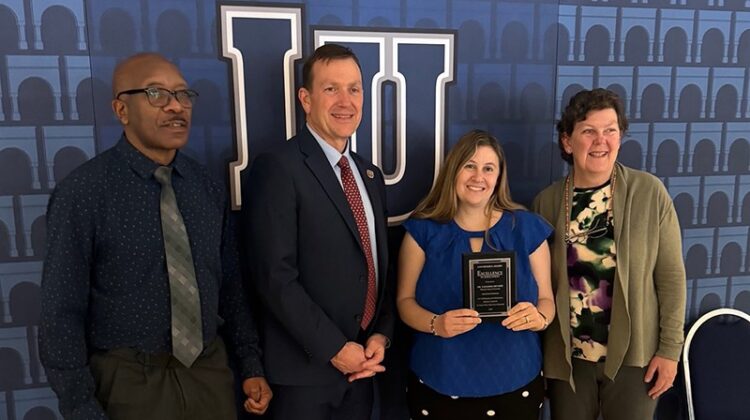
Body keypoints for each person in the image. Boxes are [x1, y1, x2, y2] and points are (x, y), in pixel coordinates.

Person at [39, 53, 271, 420]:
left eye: (183, 94)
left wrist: (251, 364)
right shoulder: (83, 194)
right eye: (156, 94)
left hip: (208, 374)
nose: (176, 106)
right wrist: (81, 406)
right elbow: (60, 314)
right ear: (121, 110)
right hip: (129, 383)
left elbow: (230, 286)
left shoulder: (205, 187)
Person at [241, 43, 394, 419]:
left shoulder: (369, 175)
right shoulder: (278, 168)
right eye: (331, 89)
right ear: (305, 99)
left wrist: (380, 335)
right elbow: (274, 277)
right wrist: (335, 349)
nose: (346, 101)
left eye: (354, 89)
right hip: (304, 377)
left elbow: (378, 266)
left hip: (362, 370)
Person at [531, 88, 686, 420]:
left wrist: (670, 351)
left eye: (610, 130)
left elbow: (671, 278)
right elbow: (538, 287)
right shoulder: (546, 203)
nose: (601, 141)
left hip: (635, 359)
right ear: (567, 141)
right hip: (569, 363)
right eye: (588, 131)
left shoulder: (649, 192)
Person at [396, 129, 555, 420]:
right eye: (469, 165)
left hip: (516, 381)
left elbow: (547, 300)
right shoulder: (423, 231)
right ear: (454, 170)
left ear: (498, 177)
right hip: (439, 381)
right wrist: (436, 324)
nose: (478, 177)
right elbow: (404, 302)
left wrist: (539, 318)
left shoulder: (527, 229)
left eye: (488, 168)